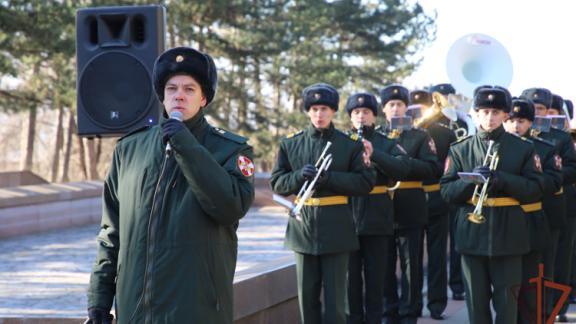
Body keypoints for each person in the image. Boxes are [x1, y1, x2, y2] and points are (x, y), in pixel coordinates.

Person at [85, 47, 255, 324]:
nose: (179, 95)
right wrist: (99, 300)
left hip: (196, 309)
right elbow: (110, 233)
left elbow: (230, 207)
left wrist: (186, 146)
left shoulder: (230, 150)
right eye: (171, 88)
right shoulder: (129, 149)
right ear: (162, 96)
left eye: (189, 89)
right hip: (135, 309)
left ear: (203, 98)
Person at [270, 83, 375, 324]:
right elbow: (277, 183)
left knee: (336, 300)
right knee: (307, 298)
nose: (319, 114)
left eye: (325, 109)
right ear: (308, 111)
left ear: (333, 112)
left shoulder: (349, 144)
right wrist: (298, 176)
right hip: (302, 228)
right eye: (315, 108)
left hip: (337, 227)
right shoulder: (290, 144)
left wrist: (330, 178)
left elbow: (365, 183)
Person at [441, 86, 542, 324]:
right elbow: (446, 191)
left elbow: (536, 189)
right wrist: (471, 181)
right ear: (475, 114)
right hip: (471, 234)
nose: (490, 117)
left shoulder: (524, 148)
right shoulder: (460, 148)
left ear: (505, 115)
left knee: (507, 302)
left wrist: (502, 179)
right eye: (484, 111)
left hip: (509, 234)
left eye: (496, 112)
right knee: (476, 302)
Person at [345, 92, 410, 324]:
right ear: (350, 118)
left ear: (374, 115)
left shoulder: (386, 141)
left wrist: (376, 154)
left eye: (366, 112)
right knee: (351, 280)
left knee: (376, 280)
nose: (361, 117)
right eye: (356, 113)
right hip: (349, 219)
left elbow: (403, 169)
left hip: (378, 218)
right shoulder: (341, 141)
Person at [379, 84, 439, 324]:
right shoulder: (377, 136)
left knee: (411, 265)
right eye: (390, 105)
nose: (395, 109)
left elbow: (433, 168)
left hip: (410, 206)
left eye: (400, 104)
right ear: (383, 109)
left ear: (407, 108)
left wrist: (404, 164)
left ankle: (410, 312)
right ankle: (389, 311)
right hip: (382, 208)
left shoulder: (420, 136)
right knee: (383, 265)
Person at [503, 97, 562, 323]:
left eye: (522, 121)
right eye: (511, 120)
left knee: (530, 283)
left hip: (531, 220)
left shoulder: (544, 148)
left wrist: (525, 184)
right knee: (506, 284)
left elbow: (554, 181)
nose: (516, 126)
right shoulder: (494, 146)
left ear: (531, 123)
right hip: (503, 222)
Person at [522, 88, 576, 322]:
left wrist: (544, 177)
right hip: (521, 210)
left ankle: (552, 309)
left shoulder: (560, 137)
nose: (536, 112)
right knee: (523, 264)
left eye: (541, 108)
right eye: (532, 108)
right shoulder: (515, 135)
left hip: (551, 206)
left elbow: (572, 169)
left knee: (551, 262)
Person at [410, 89, 457, 320]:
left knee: (437, 255)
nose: (419, 112)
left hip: (437, 198)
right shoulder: (402, 131)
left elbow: (451, 168)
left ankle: (436, 305)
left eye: (422, 107)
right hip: (411, 200)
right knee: (413, 256)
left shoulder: (445, 134)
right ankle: (414, 303)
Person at [429, 83, 467, 302]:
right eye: (441, 96)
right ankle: (438, 295)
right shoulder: (427, 123)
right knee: (437, 249)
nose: (444, 100)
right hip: (434, 190)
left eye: (448, 96)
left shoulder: (461, 122)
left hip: (456, 188)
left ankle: (457, 284)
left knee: (456, 242)